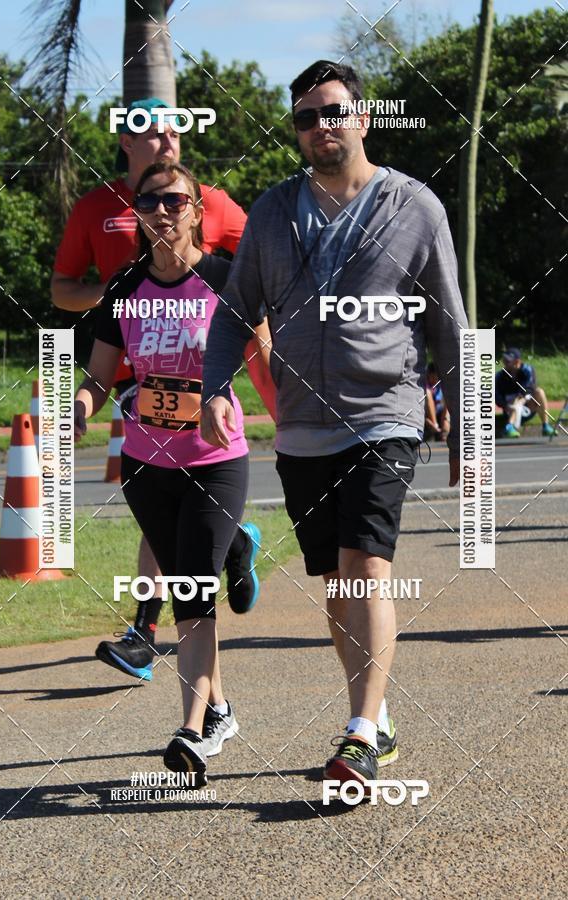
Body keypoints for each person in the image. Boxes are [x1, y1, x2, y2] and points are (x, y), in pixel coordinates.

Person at [200, 60, 467, 790]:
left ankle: (357, 731)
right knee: (337, 586)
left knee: (367, 565)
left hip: (385, 413)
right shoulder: (273, 211)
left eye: (333, 111)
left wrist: (469, 432)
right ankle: (375, 715)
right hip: (302, 426)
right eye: (306, 117)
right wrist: (215, 384)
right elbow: (233, 312)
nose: (321, 127)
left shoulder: (415, 207)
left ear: (363, 117)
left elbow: (450, 323)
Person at [53, 98, 275, 680]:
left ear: (196, 210)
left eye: (176, 133)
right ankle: (227, 553)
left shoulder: (213, 210)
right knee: (174, 533)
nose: (169, 143)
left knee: (189, 570)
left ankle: (151, 641)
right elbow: (62, 293)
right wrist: (115, 302)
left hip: (203, 394)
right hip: (132, 372)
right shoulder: (96, 212)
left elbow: (260, 269)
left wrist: (279, 399)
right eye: (154, 134)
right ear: (126, 142)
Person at [75, 161, 273, 783]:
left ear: (196, 211)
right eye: (152, 201)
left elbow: (265, 360)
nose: (164, 211)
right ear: (138, 212)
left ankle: (190, 730)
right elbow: (99, 376)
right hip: (146, 465)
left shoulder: (224, 279)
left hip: (216, 462)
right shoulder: (125, 286)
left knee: (190, 592)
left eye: (176, 201)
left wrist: (295, 424)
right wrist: (78, 408)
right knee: (188, 580)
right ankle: (219, 708)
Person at [495, 348, 554, 437]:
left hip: (528, 406)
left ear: (517, 362)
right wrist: (506, 405)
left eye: (507, 361)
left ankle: (546, 426)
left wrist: (521, 400)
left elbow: (530, 388)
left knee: (539, 391)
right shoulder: (499, 376)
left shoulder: (528, 370)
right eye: (504, 360)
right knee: (514, 399)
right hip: (510, 409)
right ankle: (509, 427)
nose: (505, 363)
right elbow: (496, 395)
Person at [424, 362, 449, 441]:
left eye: (436, 378)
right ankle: (435, 424)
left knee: (448, 393)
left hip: (441, 415)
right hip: (428, 417)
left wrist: (445, 420)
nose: (434, 380)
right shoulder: (425, 385)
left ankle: (443, 427)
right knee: (427, 392)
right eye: (432, 377)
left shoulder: (442, 385)